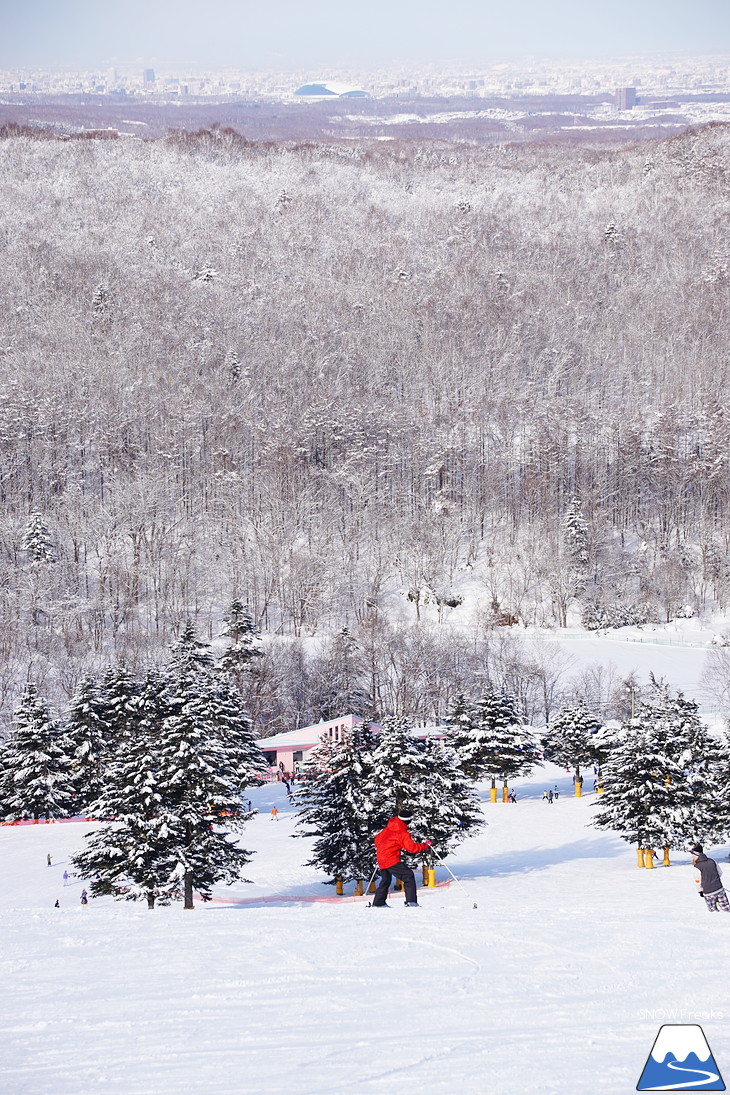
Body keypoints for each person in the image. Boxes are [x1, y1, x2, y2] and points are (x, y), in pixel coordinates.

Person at [371, 812, 431, 908]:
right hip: (391, 858)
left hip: (381, 857)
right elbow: (412, 848)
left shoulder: (389, 828)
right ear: (408, 820)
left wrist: (385, 848)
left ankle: (378, 903)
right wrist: (426, 845)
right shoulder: (402, 832)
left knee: (386, 880)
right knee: (408, 875)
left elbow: (377, 839)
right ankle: (411, 902)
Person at [690, 844, 730, 913]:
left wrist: (700, 891)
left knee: (713, 913)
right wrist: (714, 880)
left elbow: (698, 882)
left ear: (697, 855)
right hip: (719, 889)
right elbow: (720, 873)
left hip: (708, 893)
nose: (692, 857)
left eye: (693, 855)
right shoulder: (712, 861)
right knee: (726, 910)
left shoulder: (697, 867)